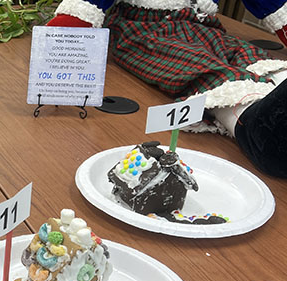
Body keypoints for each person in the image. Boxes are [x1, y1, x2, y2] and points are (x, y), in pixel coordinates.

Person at [48, 0, 287, 177]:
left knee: (251, 56)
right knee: (205, 70)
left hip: (203, 27)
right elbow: (86, 4)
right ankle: (257, 130)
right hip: (146, 28)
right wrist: (59, 44)